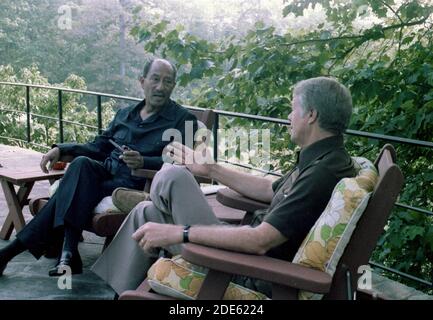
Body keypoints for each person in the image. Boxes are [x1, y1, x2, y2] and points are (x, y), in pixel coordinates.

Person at [91, 76, 356, 297]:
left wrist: (180, 232)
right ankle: (120, 290)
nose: (289, 116)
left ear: (311, 115)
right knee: (146, 213)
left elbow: (260, 241)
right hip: (245, 253)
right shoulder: (323, 159)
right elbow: (269, 190)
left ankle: (155, 199)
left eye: (293, 109)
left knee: (172, 176)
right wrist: (212, 169)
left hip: (246, 267)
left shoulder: (322, 173)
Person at [0, 58, 198, 277]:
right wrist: (62, 149)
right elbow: (98, 146)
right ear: (142, 81)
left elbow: (184, 164)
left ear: (173, 86)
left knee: (68, 191)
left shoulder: (183, 120)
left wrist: (145, 162)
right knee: (81, 163)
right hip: (105, 173)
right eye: (155, 79)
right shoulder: (125, 114)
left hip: (133, 186)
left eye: (167, 81)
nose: (161, 87)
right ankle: (65, 253)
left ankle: (22, 253)